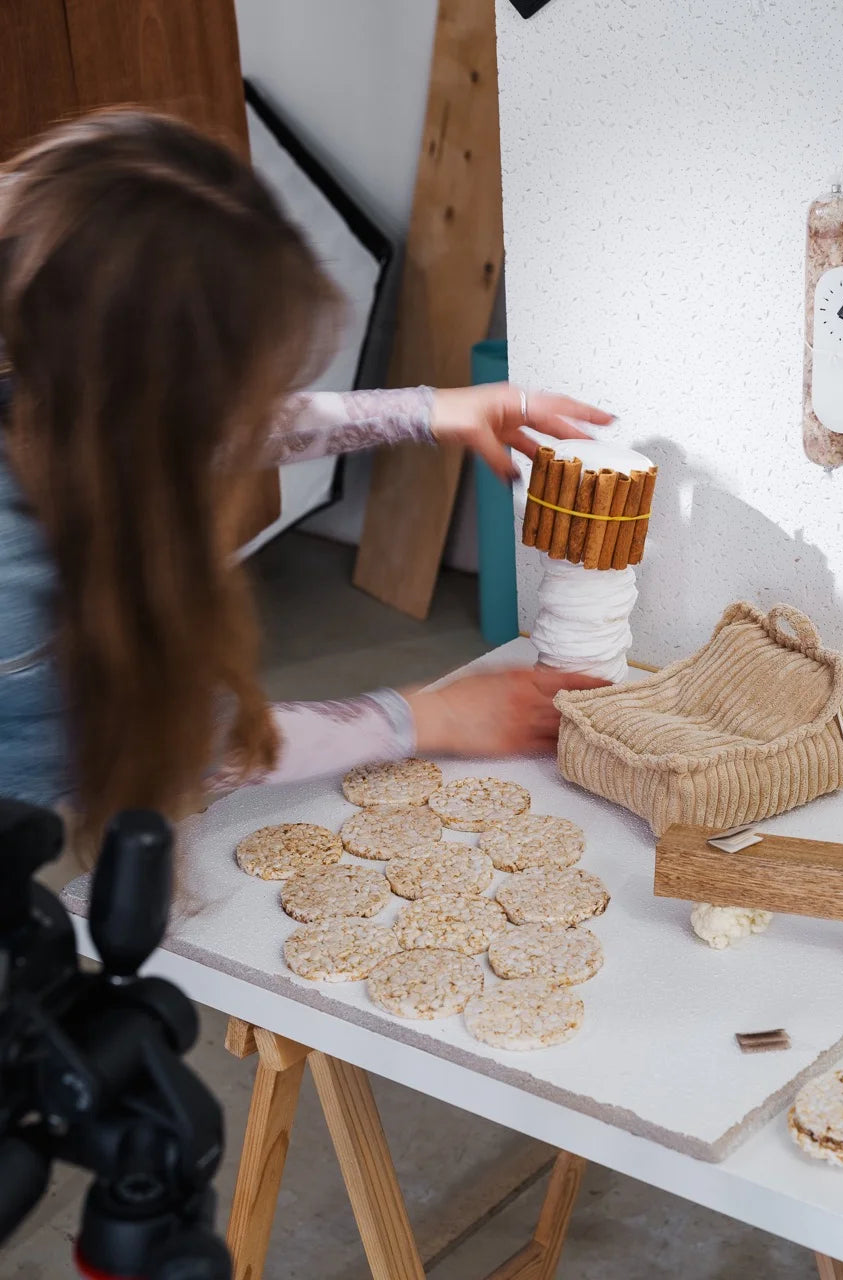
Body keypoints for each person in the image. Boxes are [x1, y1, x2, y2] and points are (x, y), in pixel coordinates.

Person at [0, 111, 611, 840]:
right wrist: (424, 716)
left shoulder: (35, 347)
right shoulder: (16, 585)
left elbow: (187, 428)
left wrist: (424, 410)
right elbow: (173, 747)